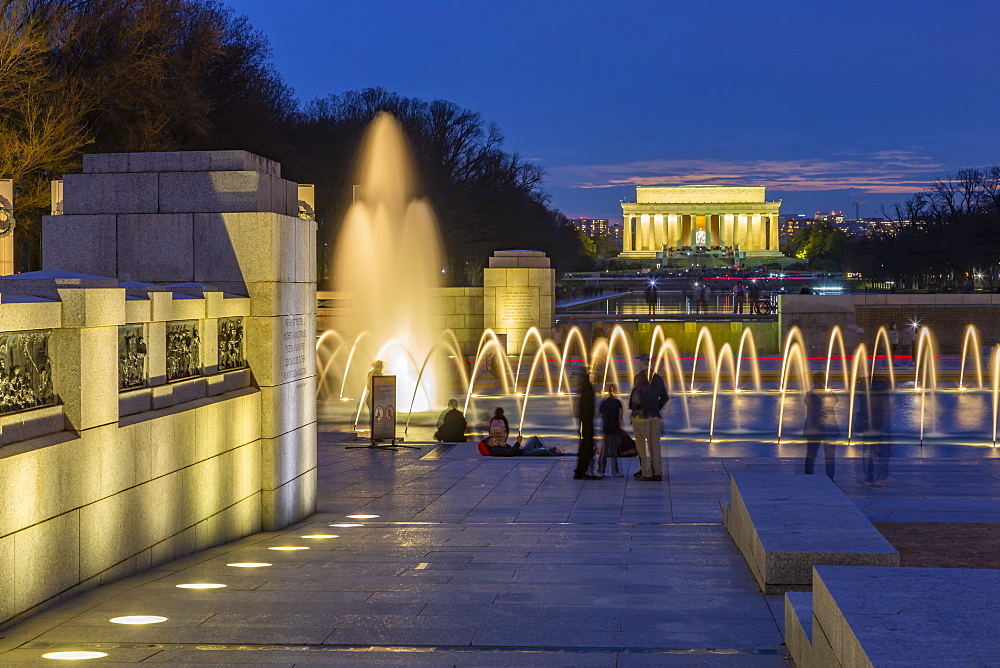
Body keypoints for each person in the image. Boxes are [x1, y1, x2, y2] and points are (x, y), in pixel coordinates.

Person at [628, 359, 669, 481]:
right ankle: (657, 472)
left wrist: (634, 408)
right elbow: (665, 397)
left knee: (641, 445)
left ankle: (646, 472)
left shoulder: (639, 377)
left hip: (641, 417)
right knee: (655, 445)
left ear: (642, 364)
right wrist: (656, 407)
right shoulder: (658, 378)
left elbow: (635, 399)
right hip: (655, 416)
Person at [857, 379, 892, 486]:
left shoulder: (863, 391)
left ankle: (869, 478)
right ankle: (879, 478)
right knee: (882, 451)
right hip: (876, 423)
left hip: (868, 423)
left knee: (869, 451)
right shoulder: (878, 394)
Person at [803, 377, 840, 479]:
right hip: (824, 428)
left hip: (817, 429)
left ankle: (813, 477)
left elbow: (835, 401)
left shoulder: (811, 394)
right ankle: (829, 478)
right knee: (825, 455)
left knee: (813, 454)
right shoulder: (811, 394)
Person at [574, 369, 599, 479]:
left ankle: (582, 470)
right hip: (587, 422)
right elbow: (588, 407)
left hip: (585, 422)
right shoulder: (587, 389)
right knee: (587, 446)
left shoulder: (584, 389)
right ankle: (583, 471)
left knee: (586, 445)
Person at [597, 383, 624, 477]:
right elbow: (620, 417)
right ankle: (615, 471)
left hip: (606, 428)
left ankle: (601, 470)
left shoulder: (604, 403)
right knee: (614, 450)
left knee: (604, 450)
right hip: (615, 428)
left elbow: (600, 414)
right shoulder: (617, 403)